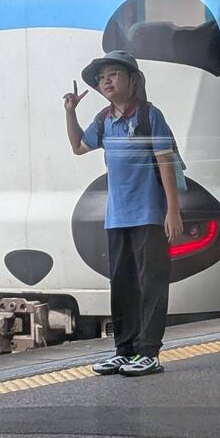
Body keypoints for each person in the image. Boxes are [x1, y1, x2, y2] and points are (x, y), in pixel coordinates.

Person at [64, 50, 183, 377]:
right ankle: (125, 350)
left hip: (148, 214)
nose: (106, 81)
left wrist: (172, 211)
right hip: (117, 216)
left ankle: (149, 352)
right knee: (123, 284)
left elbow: (166, 162)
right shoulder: (104, 120)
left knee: (152, 283)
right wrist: (70, 113)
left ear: (133, 80)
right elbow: (78, 147)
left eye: (114, 74)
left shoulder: (149, 115)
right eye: (103, 77)